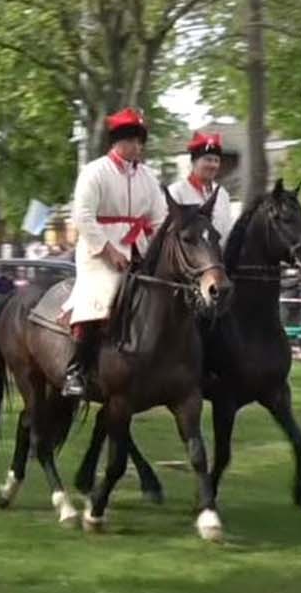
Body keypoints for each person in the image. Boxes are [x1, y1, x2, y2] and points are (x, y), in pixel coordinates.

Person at [62, 107, 169, 397]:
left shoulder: (147, 176)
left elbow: (159, 217)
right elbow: (83, 216)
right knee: (100, 297)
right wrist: (109, 251)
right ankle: (76, 370)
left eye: (140, 141)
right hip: (99, 251)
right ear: (118, 141)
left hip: (139, 249)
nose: (138, 146)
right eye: (132, 140)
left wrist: (159, 247)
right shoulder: (94, 171)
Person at [168, 131, 235, 240]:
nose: (213, 165)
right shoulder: (176, 192)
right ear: (194, 162)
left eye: (216, 161)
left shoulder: (222, 194)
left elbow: (228, 231)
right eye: (208, 160)